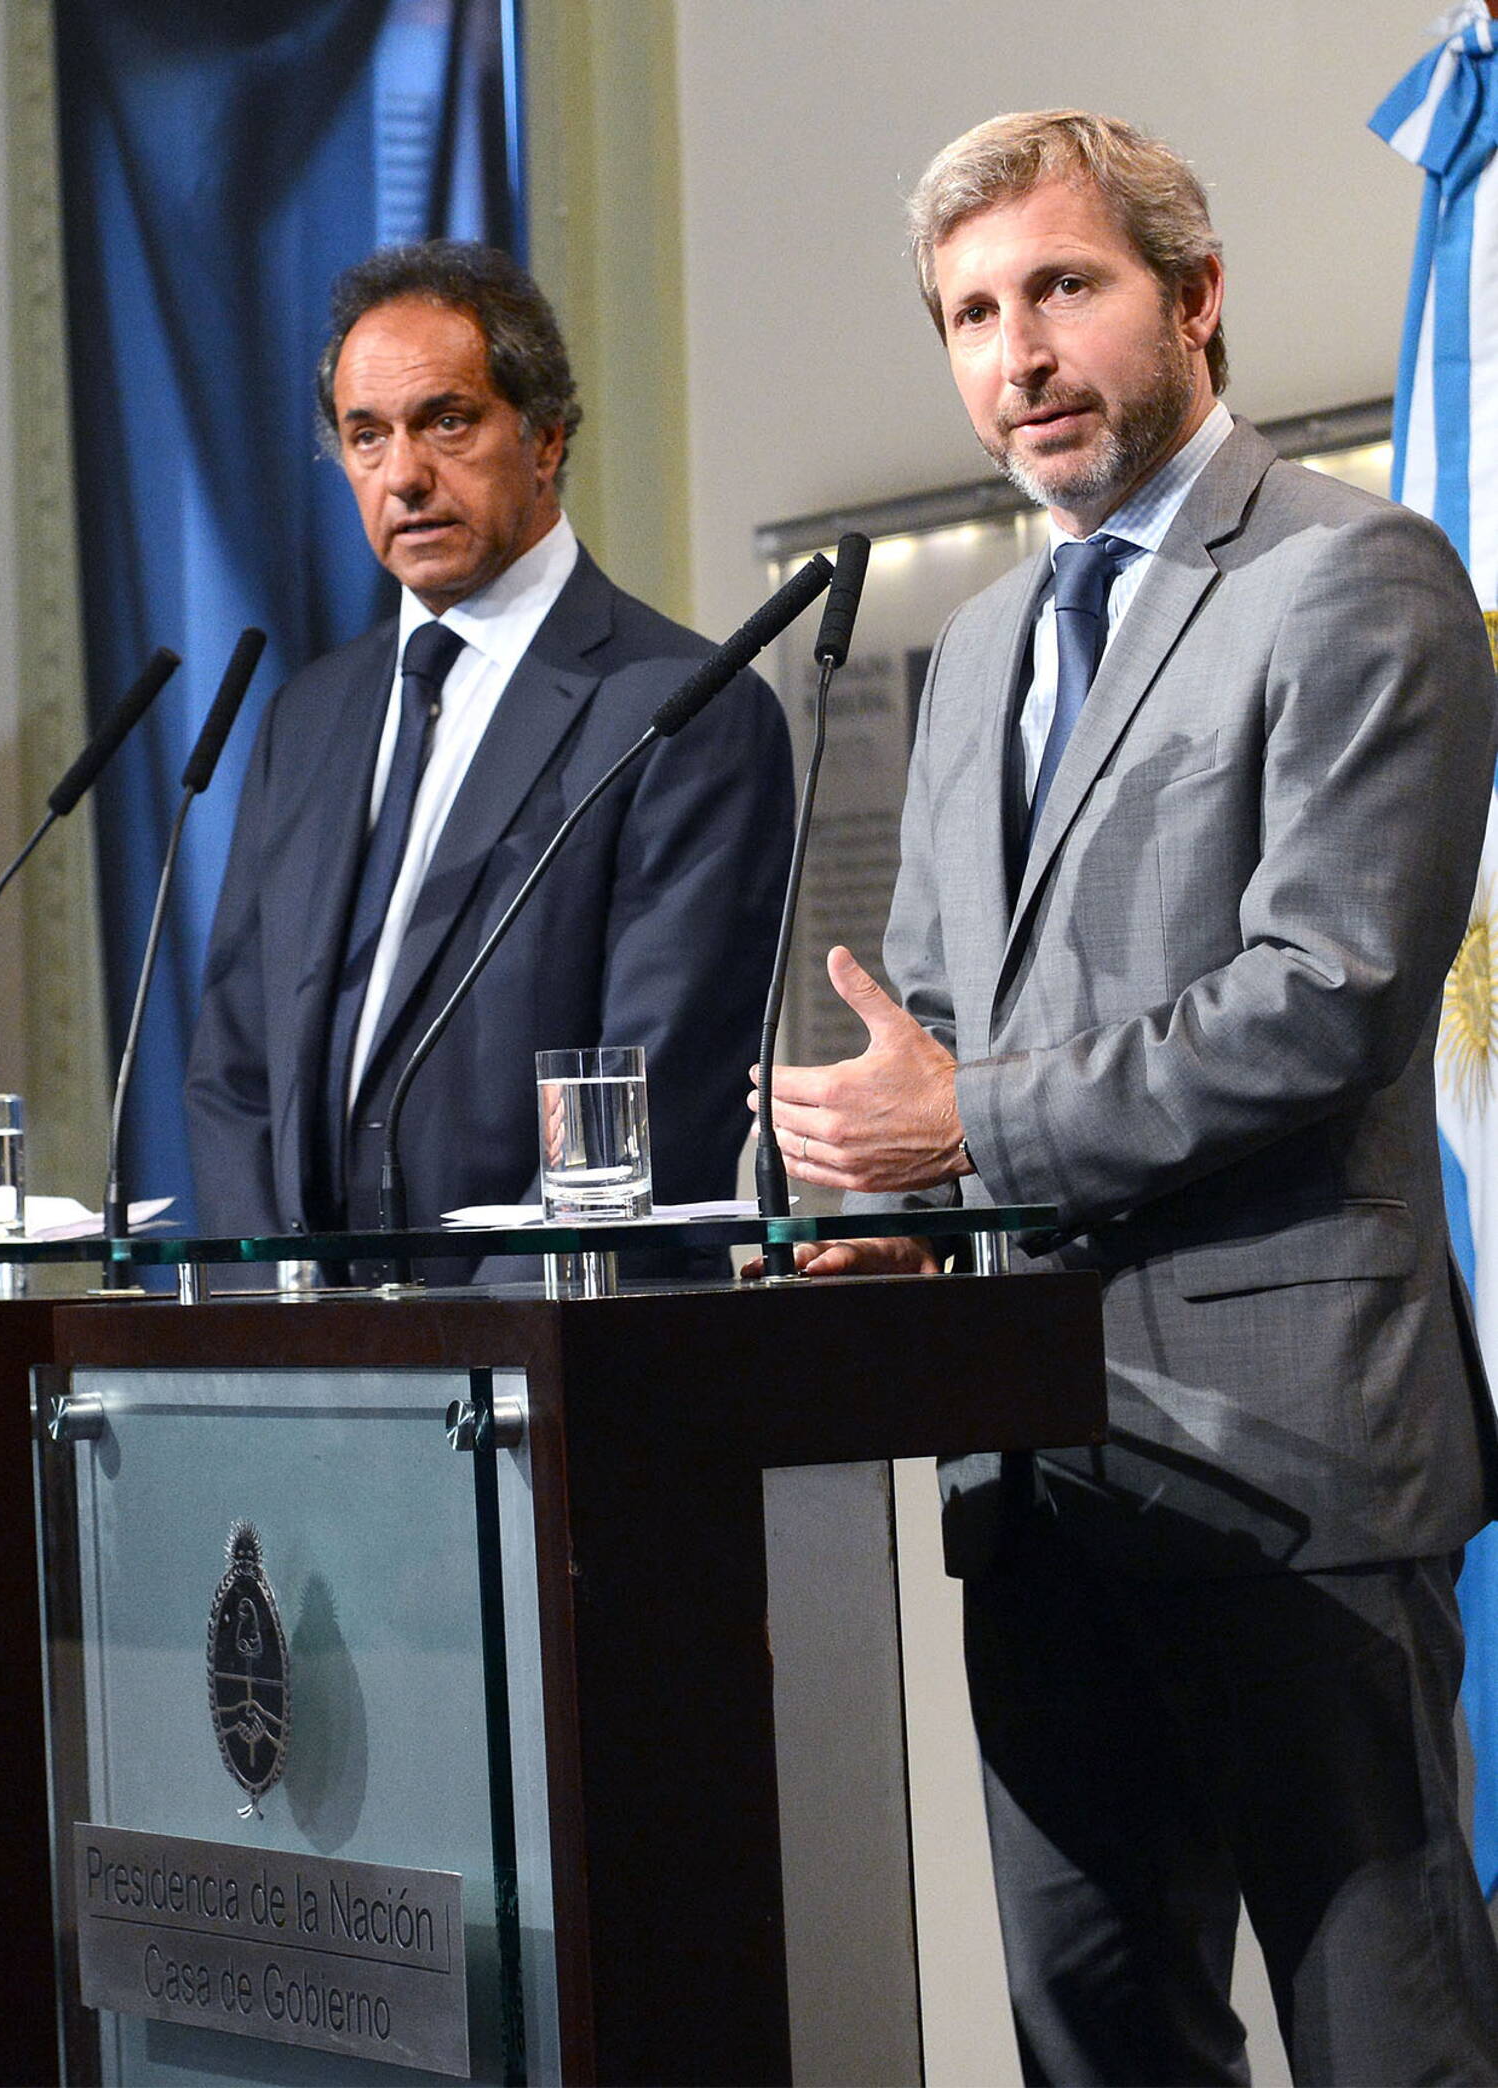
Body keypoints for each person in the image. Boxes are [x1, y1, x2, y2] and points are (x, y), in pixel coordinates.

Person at [756, 111, 1498, 2082]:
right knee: (1090, 2035)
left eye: (1062, 288)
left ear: (1194, 293)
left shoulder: (1354, 575)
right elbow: (931, 1011)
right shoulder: (986, 639)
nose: (1017, 353)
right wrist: (881, 1213)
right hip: (1032, 1465)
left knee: (1385, 2039)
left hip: (1287, 1462)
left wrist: (964, 1136)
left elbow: (1321, 998)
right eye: (972, 312)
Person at [186, 241, 792, 1282]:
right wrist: (272, 1322)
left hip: (553, 1366)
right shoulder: (306, 717)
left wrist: (473, 1350)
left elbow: (656, 1093)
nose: (405, 474)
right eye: (364, 437)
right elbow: (236, 1069)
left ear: (545, 436)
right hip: (316, 1374)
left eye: (446, 422)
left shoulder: (683, 708)